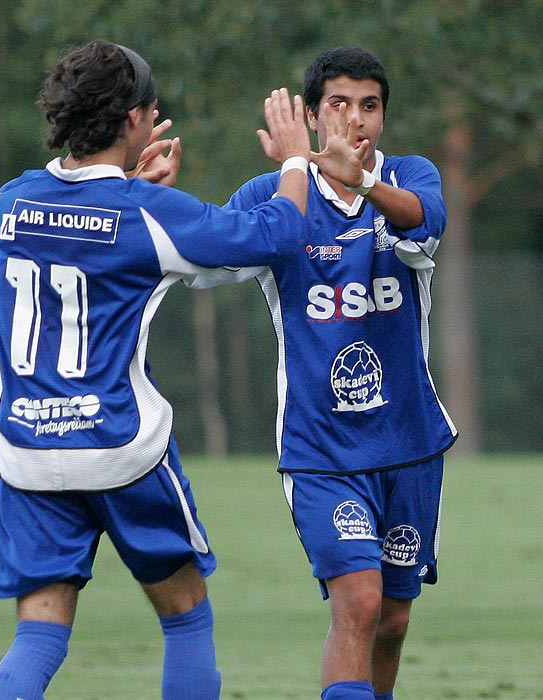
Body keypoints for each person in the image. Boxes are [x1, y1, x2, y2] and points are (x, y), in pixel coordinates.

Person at [0, 39, 310, 700]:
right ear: (133, 120)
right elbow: (277, 235)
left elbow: (71, 225)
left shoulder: (0, 207)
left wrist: (127, 187)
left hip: (27, 456)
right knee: (185, 618)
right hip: (121, 453)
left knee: (38, 636)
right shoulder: (143, 213)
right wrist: (295, 159)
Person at [188, 46, 457, 700]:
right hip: (321, 450)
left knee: (391, 619)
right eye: (338, 104)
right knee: (358, 604)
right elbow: (201, 263)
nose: (354, 119)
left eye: (369, 106)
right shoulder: (277, 195)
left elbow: (425, 227)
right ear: (309, 115)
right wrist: (146, 198)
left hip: (409, 443)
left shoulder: (408, 179)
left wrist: (361, 182)